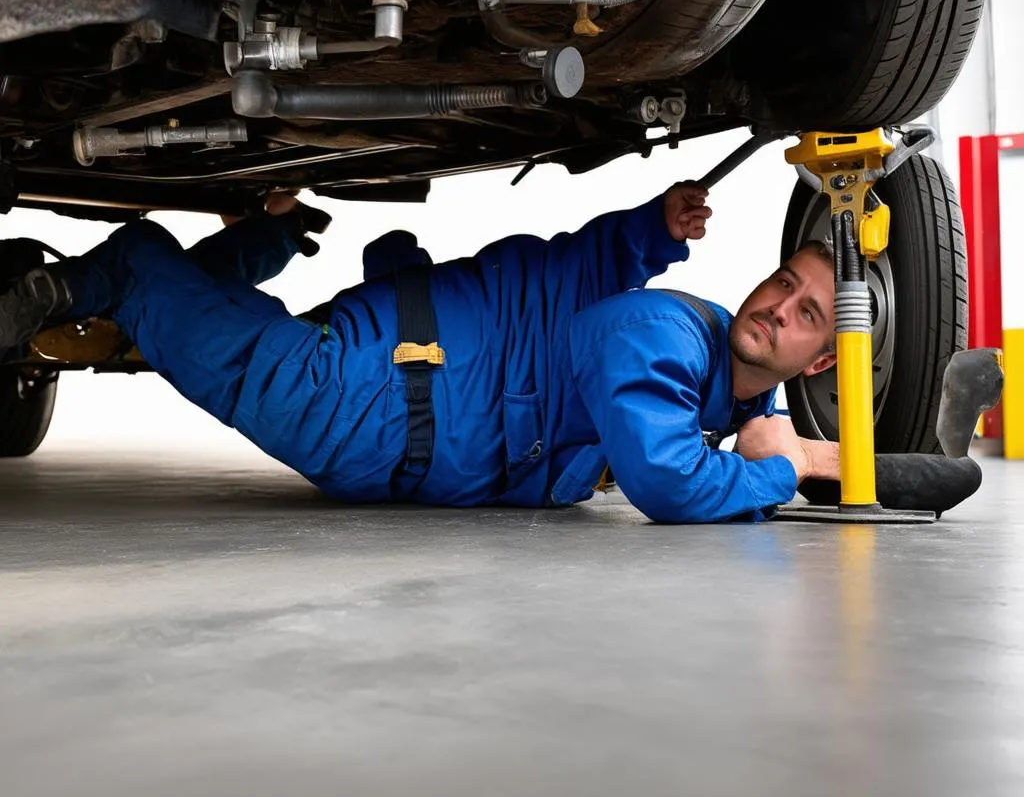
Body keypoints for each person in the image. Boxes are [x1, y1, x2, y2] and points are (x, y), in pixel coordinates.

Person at [0, 183, 844, 523]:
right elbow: (662, 476)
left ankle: (263, 241)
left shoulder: (722, 390)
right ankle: (86, 285)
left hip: (393, 383)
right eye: (782, 283)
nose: (777, 306)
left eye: (805, 314)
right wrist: (786, 464)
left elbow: (571, 272)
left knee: (187, 315)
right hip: (363, 403)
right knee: (143, 261)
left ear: (815, 363)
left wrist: (646, 231)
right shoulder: (655, 334)